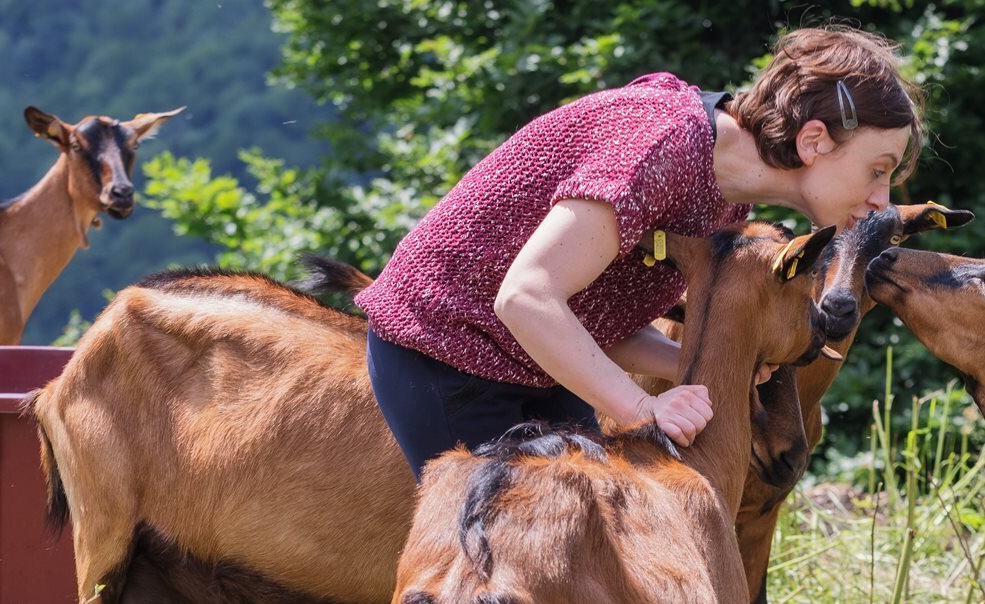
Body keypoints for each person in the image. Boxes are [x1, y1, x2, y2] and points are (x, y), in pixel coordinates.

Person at [356, 25, 924, 477]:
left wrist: (695, 365)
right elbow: (528, 297)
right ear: (814, 140)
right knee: (518, 572)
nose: (881, 201)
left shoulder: (727, 200)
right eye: (878, 171)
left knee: (591, 547)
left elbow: (599, 313)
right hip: (442, 347)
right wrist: (642, 407)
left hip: (530, 362)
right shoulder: (665, 147)